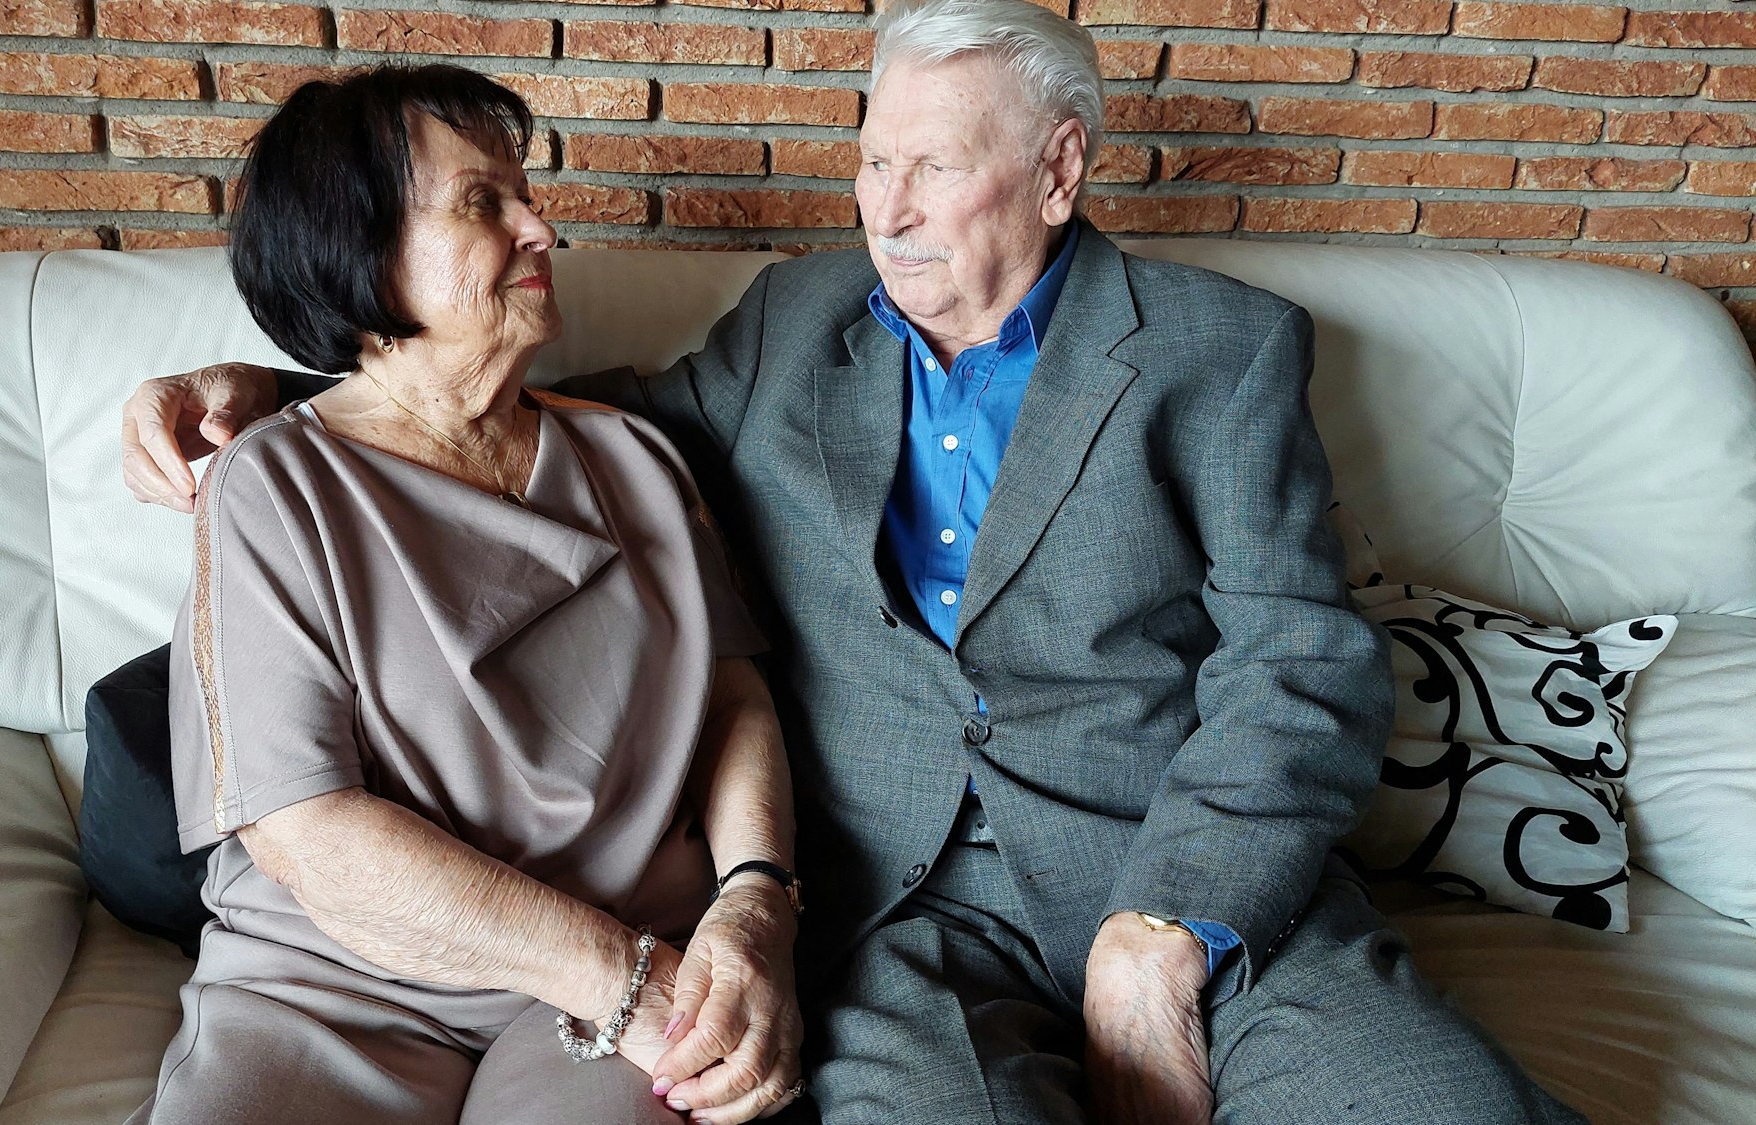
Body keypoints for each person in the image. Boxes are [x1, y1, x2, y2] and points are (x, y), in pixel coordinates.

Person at [121, 2, 1591, 1122]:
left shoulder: (1219, 351)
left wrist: (1170, 927)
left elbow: (1303, 661)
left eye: (931, 169)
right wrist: (279, 386)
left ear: (1058, 170)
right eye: (872, 159)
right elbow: (511, 426)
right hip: (892, 911)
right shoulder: (793, 323)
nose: (883, 206)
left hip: (1169, 873)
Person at [129, 64, 806, 1125]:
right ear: (360, 250)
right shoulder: (276, 484)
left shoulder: (632, 454)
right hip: (340, 986)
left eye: (524, 193)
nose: (539, 227)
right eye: (481, 203)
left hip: (627, 958)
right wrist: (621, 981)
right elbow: (308, 833)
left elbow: (732, 701)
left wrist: (756, 896)